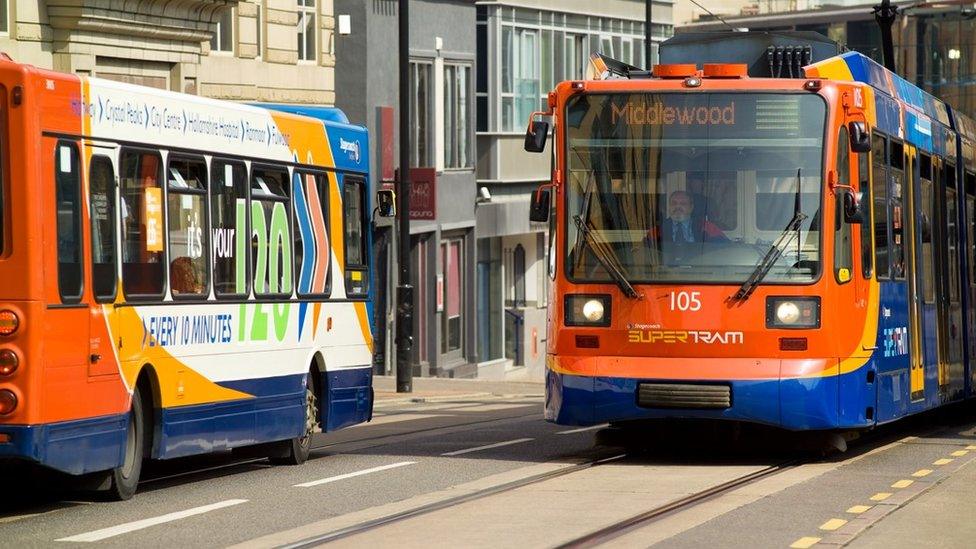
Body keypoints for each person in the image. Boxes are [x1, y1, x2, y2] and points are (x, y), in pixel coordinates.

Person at [653, 190, 727, 244]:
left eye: (683, 203)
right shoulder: (658, 230)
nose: (677, 207)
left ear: (691, 207)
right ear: (669, 207)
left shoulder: (707, 227)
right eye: (674, 203)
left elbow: (725, 247)